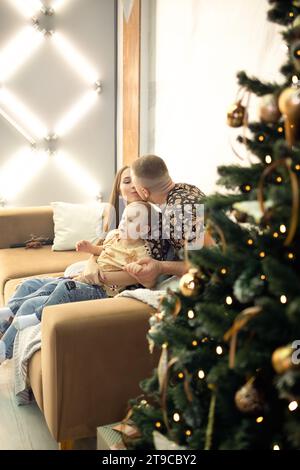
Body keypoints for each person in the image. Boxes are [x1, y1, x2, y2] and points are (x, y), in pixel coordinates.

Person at [0, 201, 154, 364]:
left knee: (64, 287)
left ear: (144, 230)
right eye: (123, 218)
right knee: (28, 285)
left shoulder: (141, 253)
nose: (123, 222)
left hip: (100, 291)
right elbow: (103, 251)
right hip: (83, 278)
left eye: (130, 220)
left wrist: (104, 275)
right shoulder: (115, 236)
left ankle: (26, 326)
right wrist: (90, 249)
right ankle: (9, 315)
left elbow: (132, 277)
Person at [124, 155, 215, 287]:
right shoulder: (188, 189)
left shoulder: (174, 215)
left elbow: (207, 266)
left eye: (134, 183)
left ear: (144, 191)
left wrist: (161, 267)